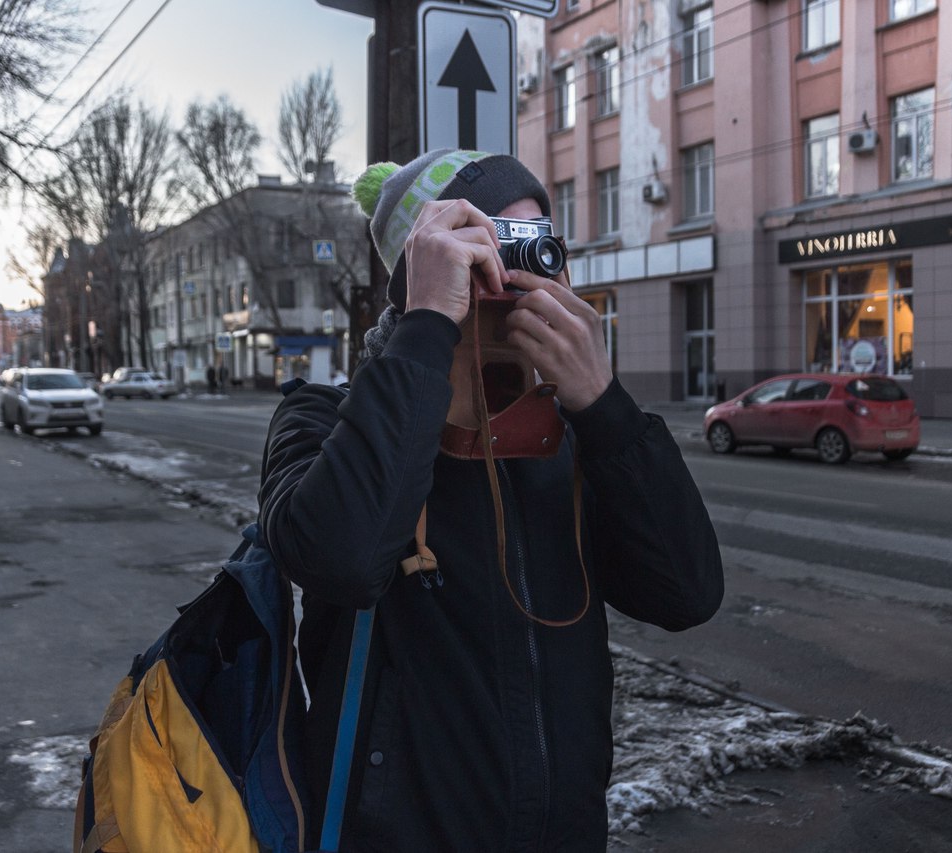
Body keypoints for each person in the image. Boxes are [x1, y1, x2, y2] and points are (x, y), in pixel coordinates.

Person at [257, 149, 723, 851]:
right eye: (488, 242)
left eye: (534, 242)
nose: (517, 269)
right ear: (424, 264)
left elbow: (686, 593)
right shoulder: (325, 422)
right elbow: (342, 558)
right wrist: (427, 328)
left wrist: (602, 404)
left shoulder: (570, 431)